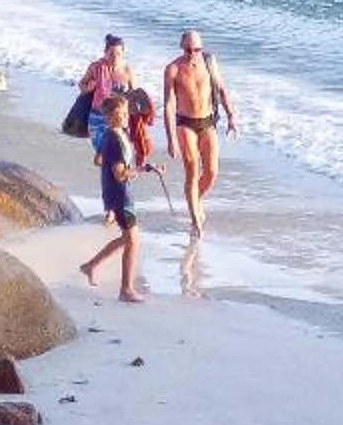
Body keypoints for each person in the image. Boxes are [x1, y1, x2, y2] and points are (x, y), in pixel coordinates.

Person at [77, 79, 148, 303]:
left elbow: (99, 160)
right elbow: (119, 173)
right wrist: (137, 171)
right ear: (110, 117)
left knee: (126, 238)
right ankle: (126, 289)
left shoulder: (118, 136)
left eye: (126, 112)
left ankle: (90, 265)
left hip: (119, 194)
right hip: (120, 196)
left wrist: (141, 167)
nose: (126, 116)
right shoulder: (114, 139)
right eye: (121, 114)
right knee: (132, 240)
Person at [160, 30, 236, 234]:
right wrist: (171, 139)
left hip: (207, 122)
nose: (192, 53)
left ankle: (194, 199)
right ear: (181, 47)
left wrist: (231, 116)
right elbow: (168, 105)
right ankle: (195, 222)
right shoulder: (173, 69)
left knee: (211, 172)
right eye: (188, 50)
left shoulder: (210, 62)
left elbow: (222, 90)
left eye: (197, 49)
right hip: (185, 124)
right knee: (192, 171)